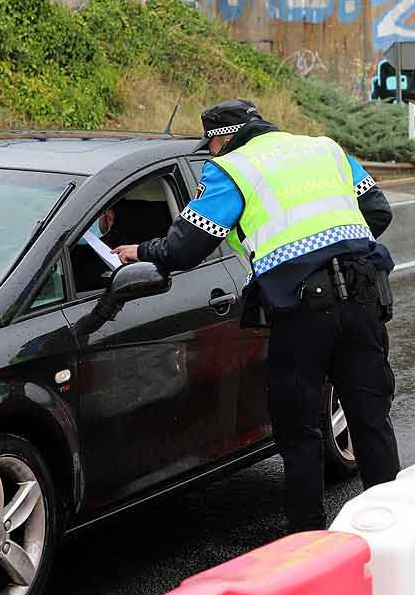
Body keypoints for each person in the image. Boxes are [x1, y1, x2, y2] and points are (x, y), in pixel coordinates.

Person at [112, 99, 399, 531]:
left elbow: (187, 245)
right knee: (371, 420)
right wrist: (338, 249)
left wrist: (138, 251)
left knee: (299, 430)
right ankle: (396, 531)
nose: (210, 155)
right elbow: (377, 210)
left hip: (303, 310)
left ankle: (308, 544)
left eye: (210, 147)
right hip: (362, 295)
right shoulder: (325, 148)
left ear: (221, 138)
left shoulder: (232, 168)